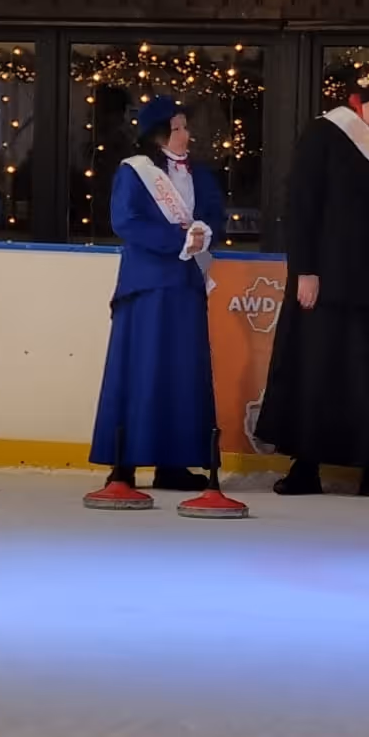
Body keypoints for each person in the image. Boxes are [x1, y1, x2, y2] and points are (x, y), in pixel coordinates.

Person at [258, 80, 369, 500]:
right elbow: (301, 205)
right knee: (319, 370)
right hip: (332, 276)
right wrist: (304, 270)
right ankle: (305, 466)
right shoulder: (324, 132)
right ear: (358, 104)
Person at [89, 96, 226, 492]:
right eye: (178, 128)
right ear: (158, 134)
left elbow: (215, 215)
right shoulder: (135, 171)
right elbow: (126, 221)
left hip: (186, 285)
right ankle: (123, 463)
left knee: (182, 373)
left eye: (185, 127)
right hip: (146, 284)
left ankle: (174, 463)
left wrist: (203, 233)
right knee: (138, 370)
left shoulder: (201, 174)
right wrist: (177, 239)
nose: (186, 134)